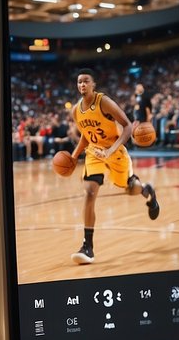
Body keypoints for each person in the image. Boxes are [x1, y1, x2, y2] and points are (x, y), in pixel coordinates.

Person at [67, 68, 159, 264]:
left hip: (115, 152)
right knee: (90, 192)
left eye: (86, 81)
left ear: (93, 84)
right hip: (94, 154)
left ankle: (146, 190)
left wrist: (110, 150)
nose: (82, 85)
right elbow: (86, 134)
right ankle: (87, 246)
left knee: (131, 189)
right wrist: (74, 156)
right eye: (79, 82)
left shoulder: (104, 102)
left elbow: (126, 126)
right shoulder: (75, 110)